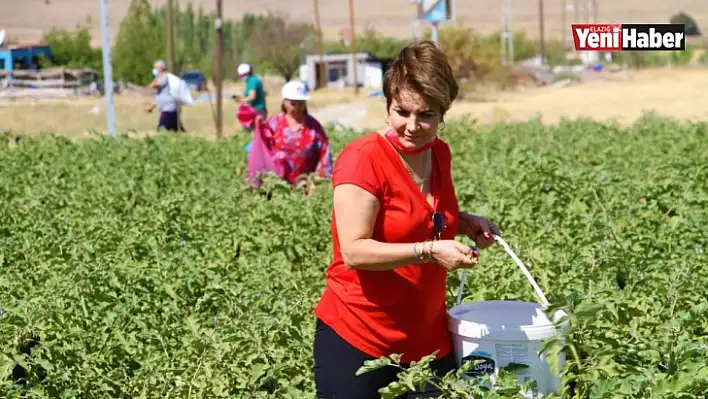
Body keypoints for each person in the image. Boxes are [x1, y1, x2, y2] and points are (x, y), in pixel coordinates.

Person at [312, 41, 500, 399]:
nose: (412, 125)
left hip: (429, 341)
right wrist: (429, 252)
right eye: (402, 111)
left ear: (443, 113)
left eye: (426, 114)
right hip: (361, 337)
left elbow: (425, 217)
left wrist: (465, 222)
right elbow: (354, 251)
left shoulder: (438, 153)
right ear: (387, 106)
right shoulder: (362, 160)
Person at [243, 80, 333, 187]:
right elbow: (261, 147)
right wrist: (258, 126)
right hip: (278, 187)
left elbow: (325, 154)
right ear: (284, 103)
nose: (298, 108)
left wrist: (319, 181)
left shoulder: (314, 127)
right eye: (293, 104)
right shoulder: (274, 123)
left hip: (306, 187)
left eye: (301, 104)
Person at [146, 59, 186, 132]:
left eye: (155, 68)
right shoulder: (161, 78)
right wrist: (151, 107)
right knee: (177, 130)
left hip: (168, 109)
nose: (154, 70)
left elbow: (154, 85)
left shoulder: (165, 77)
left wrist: (155, 79)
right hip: (167, 109)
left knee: (161, 130)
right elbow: (160, 97)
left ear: (161, 68)